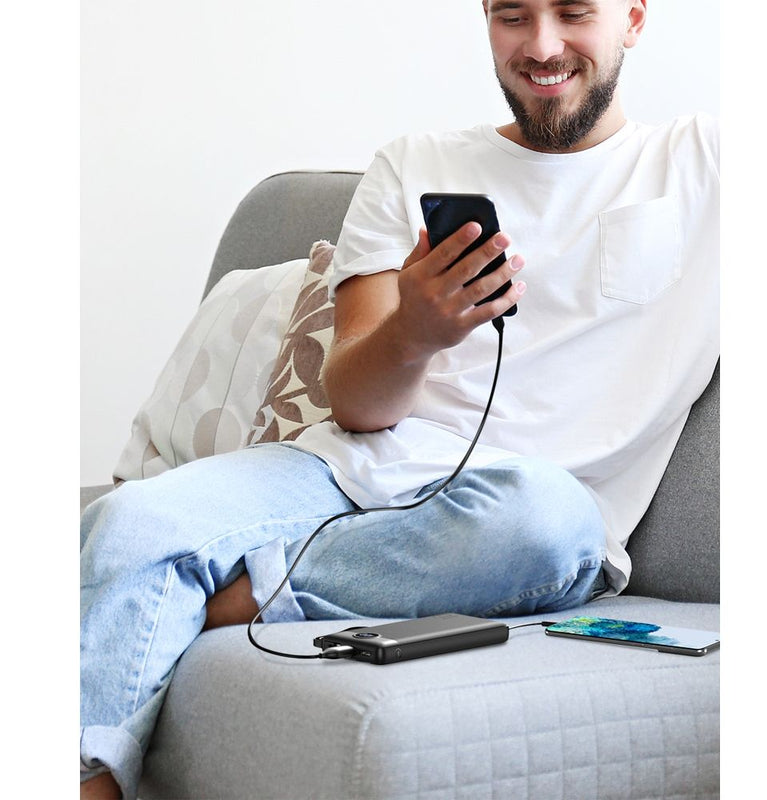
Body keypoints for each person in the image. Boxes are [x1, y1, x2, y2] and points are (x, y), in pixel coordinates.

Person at [80, 1, 719, 797]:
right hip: (343, 473)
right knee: (127, 522)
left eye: (573, 12)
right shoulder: (413, 164)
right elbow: (356, 405)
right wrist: (416, 330)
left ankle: (226, 591)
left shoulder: (707, 165)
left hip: (519, 517)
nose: (542, 45)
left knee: (550, 522)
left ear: (633, 19)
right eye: (513, 16)